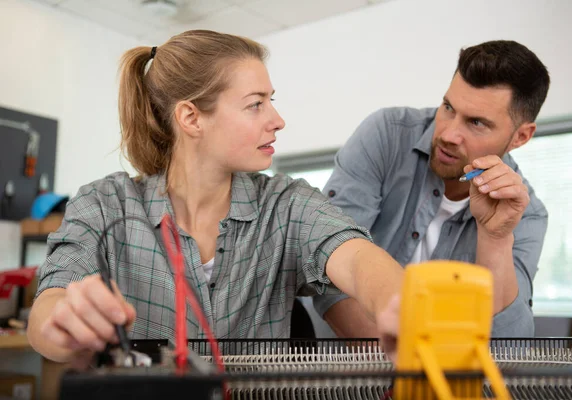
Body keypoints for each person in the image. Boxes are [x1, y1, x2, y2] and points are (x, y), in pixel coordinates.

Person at [27, 30, 405, 364]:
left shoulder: (286, 204)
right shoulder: (104, 204)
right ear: (191, 118)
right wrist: (66, 325)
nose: (277, 119)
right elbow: (50, 306)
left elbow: (356, 258)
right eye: (256, 103)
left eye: (271, 100)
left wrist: (397, 303)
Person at [314, 40, 550, 338]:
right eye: (448, 107)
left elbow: (508, 344)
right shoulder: (385, 135)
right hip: (352, 373)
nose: (449, 134)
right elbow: (328, 265)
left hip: (450, 381)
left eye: (476, 123)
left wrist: (495, 239)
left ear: (521, 136)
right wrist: (403, 372)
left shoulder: (527, 216)